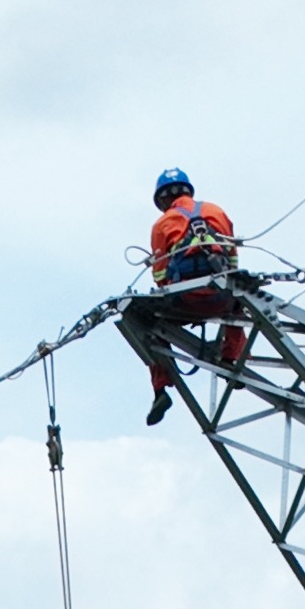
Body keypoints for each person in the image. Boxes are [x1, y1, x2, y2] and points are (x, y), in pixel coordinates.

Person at [118, 168, 251, 423]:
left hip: (185, 300)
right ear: (188, 190)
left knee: (147, 324)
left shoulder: (162, 224)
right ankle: (232, 360)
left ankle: (160, 388)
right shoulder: (217, 211)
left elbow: (159, 276)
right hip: (221, 298)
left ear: (163, 200)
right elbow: (232, 260)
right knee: (238, 306)